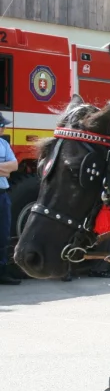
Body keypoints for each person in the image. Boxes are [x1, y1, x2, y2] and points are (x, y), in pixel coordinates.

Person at [0, 115, 20, 284]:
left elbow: (14, 166)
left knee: (4, 234)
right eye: (2, 125)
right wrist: (3, 169)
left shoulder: (4, 144)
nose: (4, 129)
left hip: (2, 195)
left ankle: (2, 272)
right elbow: (7, 168)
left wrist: (5, 170)